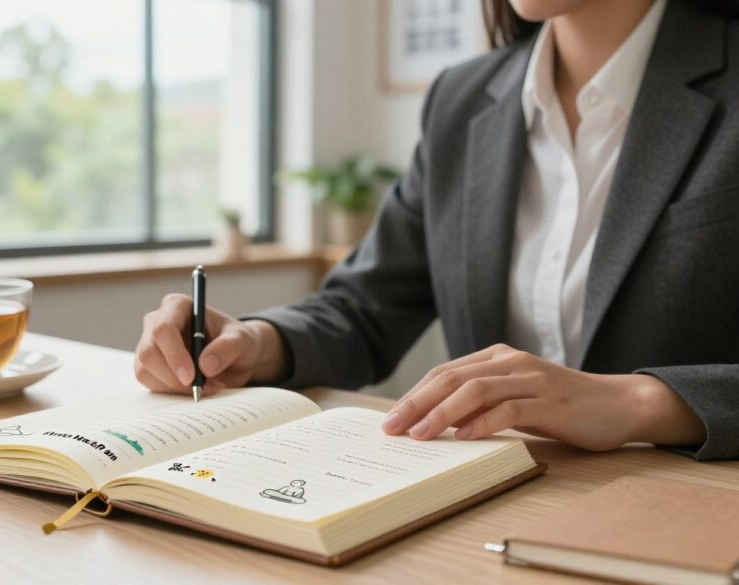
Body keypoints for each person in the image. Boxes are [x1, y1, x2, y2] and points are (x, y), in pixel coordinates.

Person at [135, 0, 739, 460]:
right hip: (493, 498)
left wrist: (636, 402)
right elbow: (366, 306)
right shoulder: (462, 99)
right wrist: (255, 342)